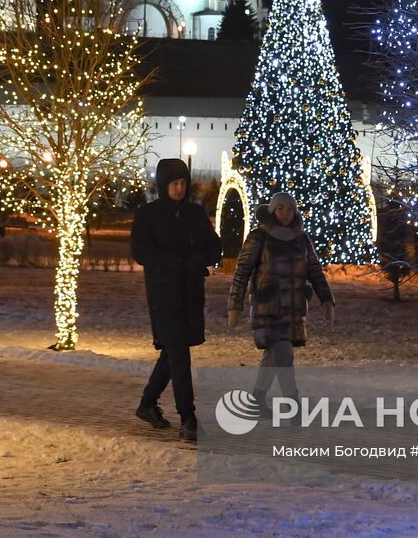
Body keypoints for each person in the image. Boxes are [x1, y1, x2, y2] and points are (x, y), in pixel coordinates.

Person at [130, 158, 221, 441]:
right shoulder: (150, 213)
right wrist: (174, 263)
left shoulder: (194, 213)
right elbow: (141, 250)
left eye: (183, 183)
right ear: (163, 185)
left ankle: (147, 404)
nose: (180, 188)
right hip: (164, 293)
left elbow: (213, 245)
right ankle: (188, 418)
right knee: (179, 353)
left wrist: (199, 260)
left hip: (191, 292)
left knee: (173, 352)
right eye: (174, 183)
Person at [228, 192, 335, 414]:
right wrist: (234, 305)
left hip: (294, 308)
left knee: (273, 355)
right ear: (272, 210)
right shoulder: (260, 237)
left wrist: (326, 298)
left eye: (290, 208)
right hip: (268, 306)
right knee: (284, 354)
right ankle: (293, 405)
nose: (286, 213)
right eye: (280, 208)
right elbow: (242, 272)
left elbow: (314, 270)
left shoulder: (301, 238)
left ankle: (257, 401)